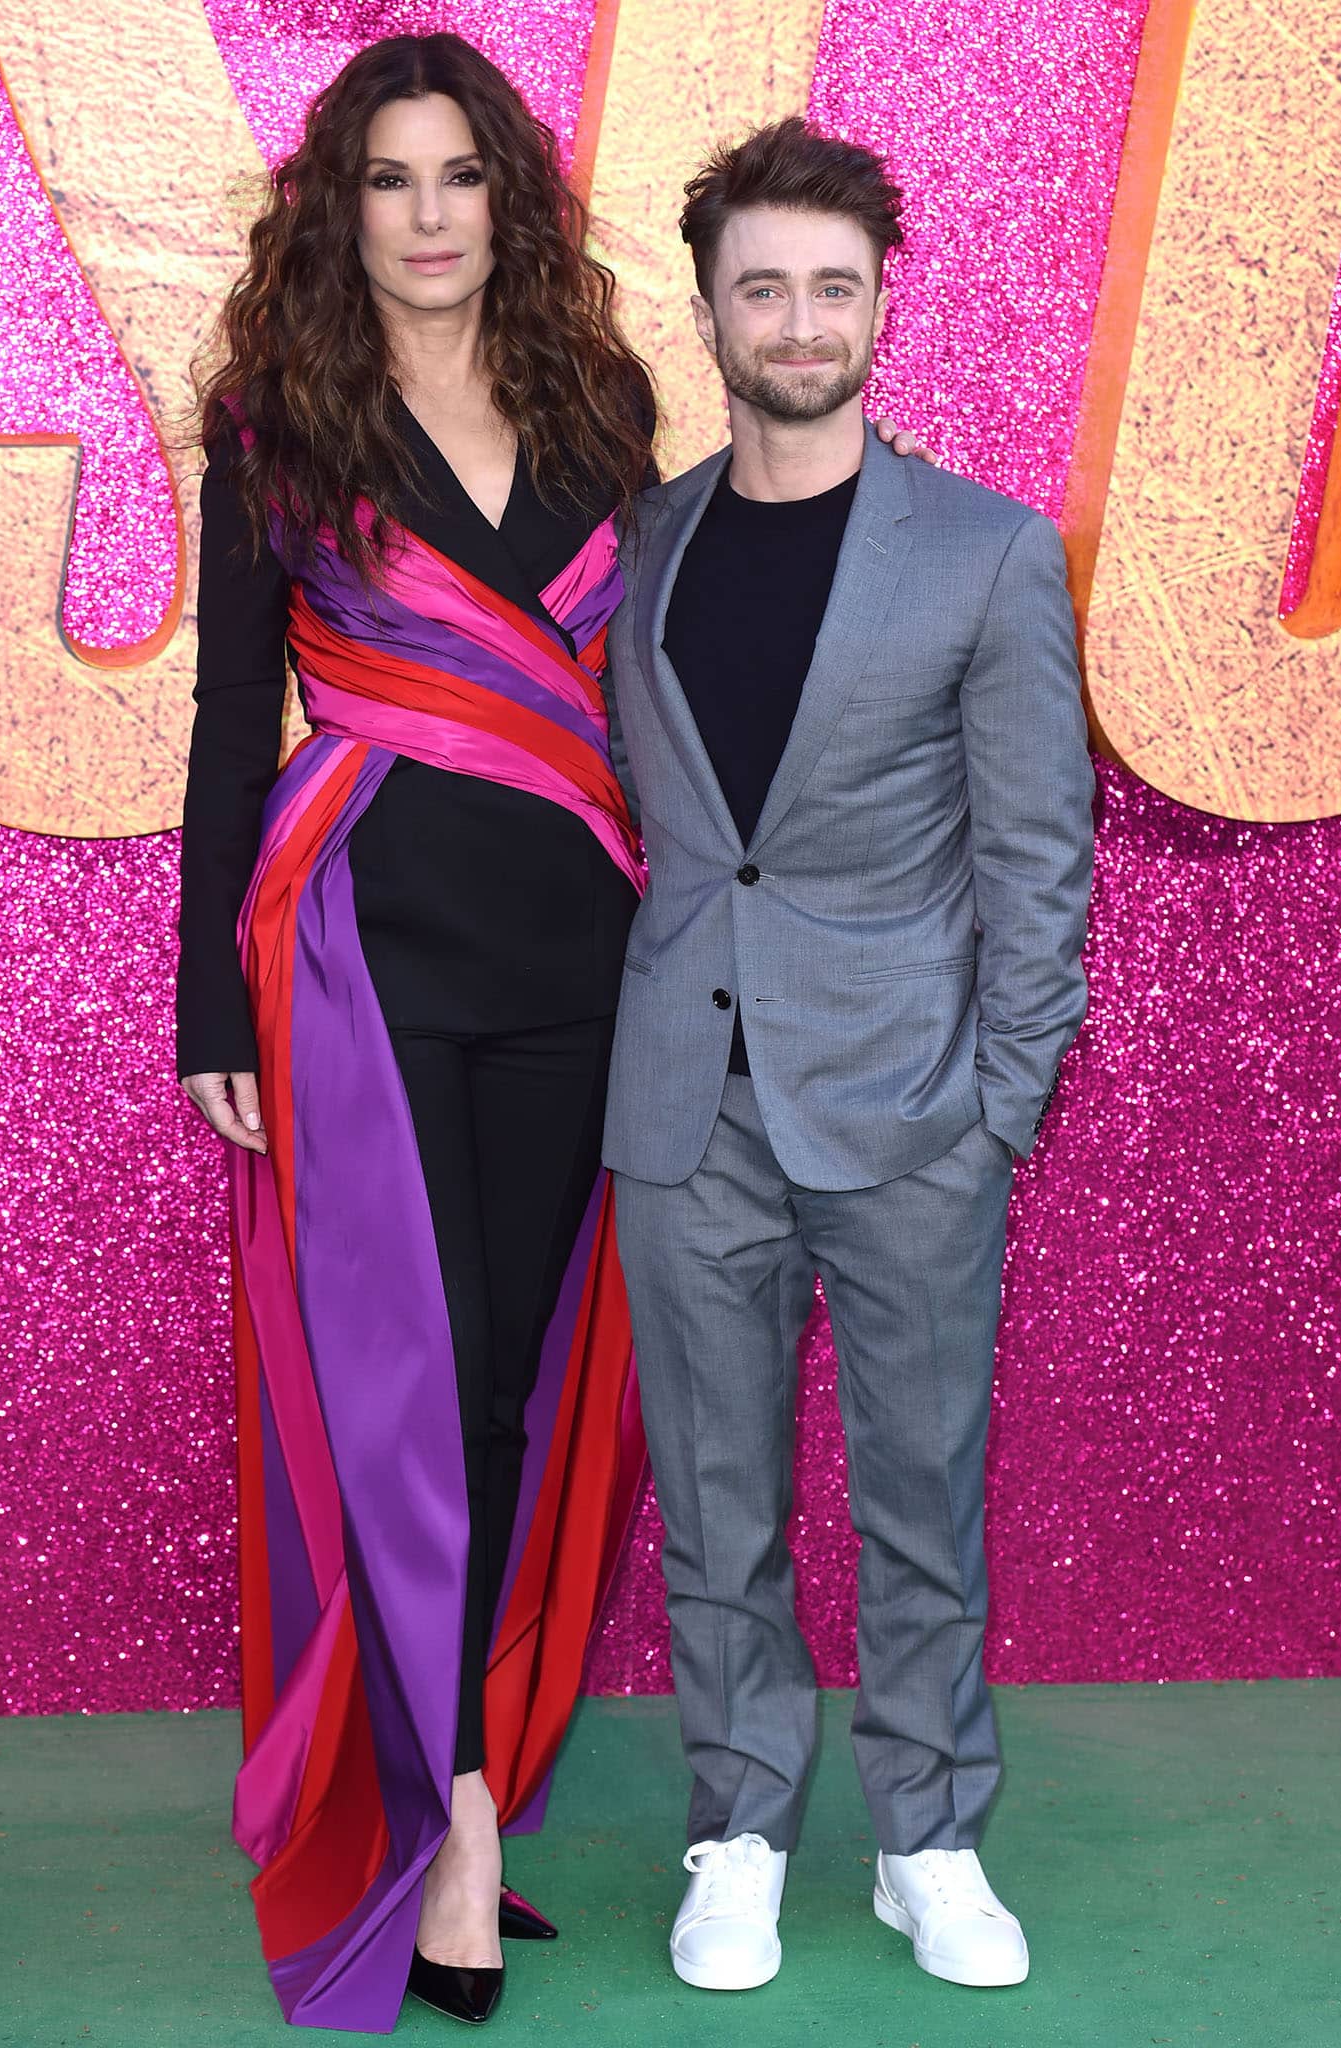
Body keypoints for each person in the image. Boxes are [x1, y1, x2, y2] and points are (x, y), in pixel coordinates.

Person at [176, 34, 654, 2031]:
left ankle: (450, 1770)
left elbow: (651, 702)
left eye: (462, 175)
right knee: (417, 1392)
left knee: (515, 1401)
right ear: (338, 204)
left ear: (508, 199)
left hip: (582, 963)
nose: (432, 213)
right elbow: (227, 725)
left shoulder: (602, 403)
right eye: (392, 178)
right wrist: (209, 991)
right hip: (364, 970)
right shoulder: (279, 422)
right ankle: (451, 1817)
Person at [602, 119, 1096, 1996]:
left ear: (882, 304)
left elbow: (1036, 854)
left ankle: (927, 1838)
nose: (796, 321)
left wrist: (996, 1108)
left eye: (831, 287)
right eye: (761, 289)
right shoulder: (643, 538)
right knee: (715, 1501)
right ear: (710, 310)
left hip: (909, 1115)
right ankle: (737, 1825)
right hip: (684, 1110)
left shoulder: (980, 553)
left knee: (919, 1495)